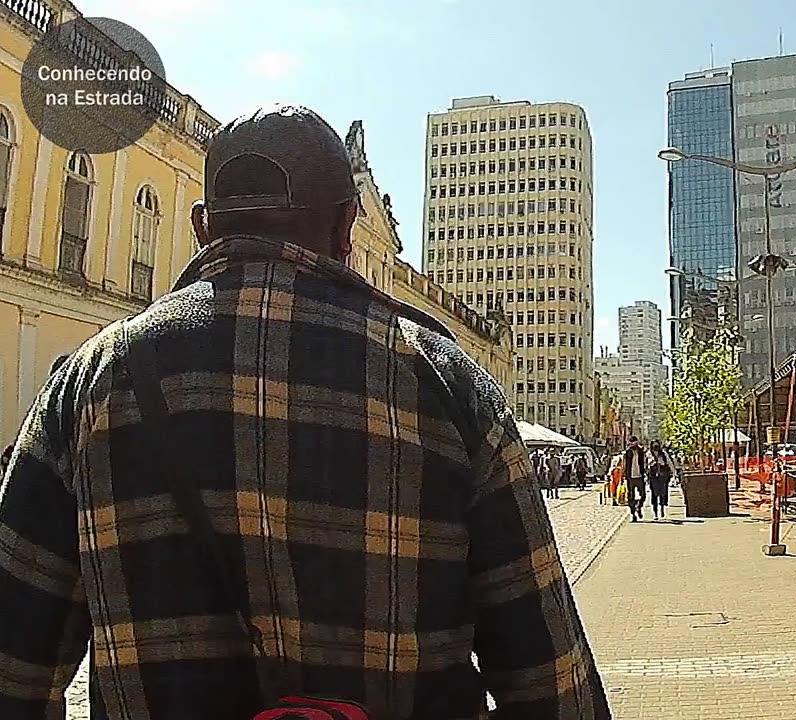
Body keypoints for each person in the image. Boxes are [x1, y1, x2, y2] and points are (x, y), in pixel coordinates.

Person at [0, 105, 610, 720]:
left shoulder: (89, 385)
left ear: (201, 226)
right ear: (348, 225)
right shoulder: (447, 387)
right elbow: (555, 685)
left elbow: (13, 665)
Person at [621, 437, 647, 522]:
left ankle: (638, 507)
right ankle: (633, 514)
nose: (632, 444)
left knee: (643, 495)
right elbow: (624, 464)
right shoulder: (627, 452)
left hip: (640, 476)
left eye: (634, 442)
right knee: (630, 497)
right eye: (631, 442)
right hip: (630, 477)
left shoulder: (641, 451)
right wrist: (623, 474)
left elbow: (645, 462)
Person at [647, 441, 674, 519]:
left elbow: (669, 463)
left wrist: (673, 473)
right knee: (654, 495)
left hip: (663, 476)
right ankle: (655, 512)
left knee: (663, 494)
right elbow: (646, 464)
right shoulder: (648, 454)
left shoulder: (663, 454)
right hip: (653, 477)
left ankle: (662, 508)